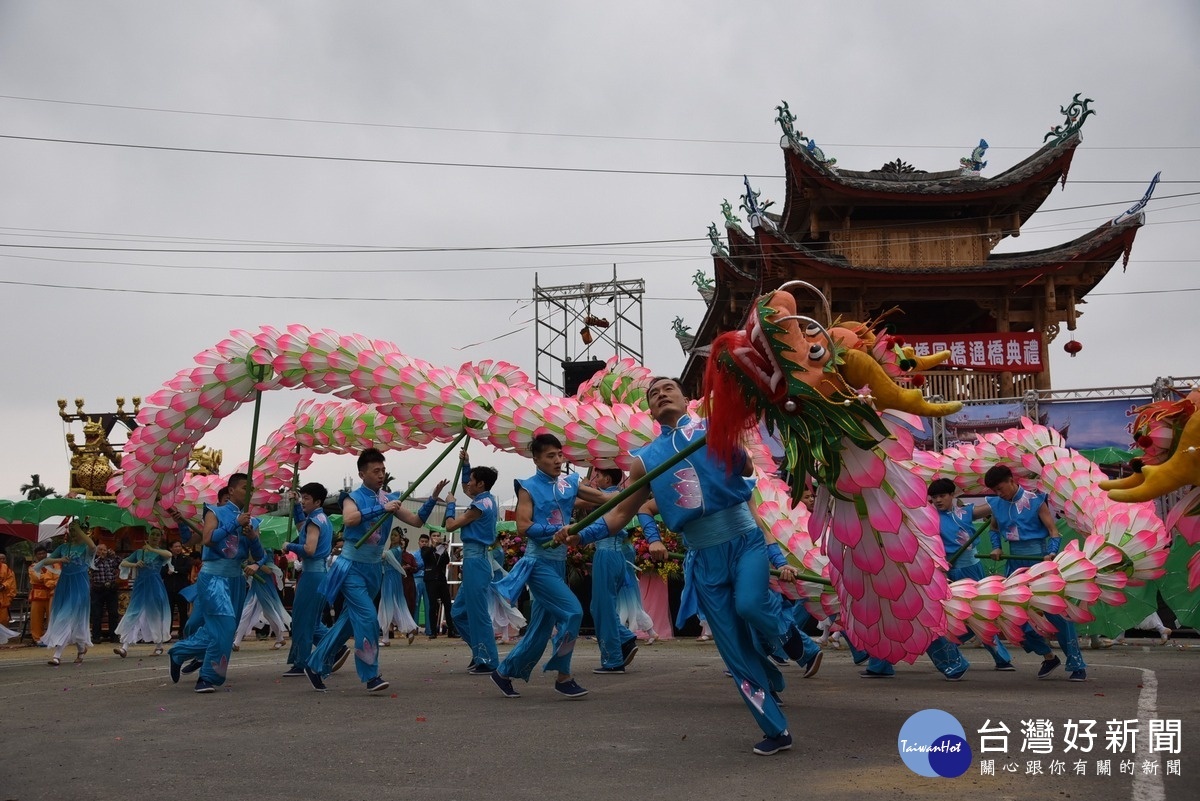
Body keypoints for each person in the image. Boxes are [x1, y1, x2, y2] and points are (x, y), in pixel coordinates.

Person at [561, 377, 813, 755]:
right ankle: (775, 729)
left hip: (744, 541)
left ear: (684, 397)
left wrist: (729, 444)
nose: (661, 394)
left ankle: (794, 638)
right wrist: (582, 534)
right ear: (650, 408)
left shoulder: (714, 428)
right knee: (734, 649)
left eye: (668, 388)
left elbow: (745, 470)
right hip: (703, 558)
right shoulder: (645, 459)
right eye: (653, 393)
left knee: (749, 604)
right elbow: (620, 514)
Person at [304, 448, 446, 693]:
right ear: (362, 473)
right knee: (369, 618)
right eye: (375, 471)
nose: (381, 475)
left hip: (373, 569)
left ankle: (315, 664)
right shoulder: (352, 497)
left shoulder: (387, 498)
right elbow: (349, 520)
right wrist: (382, 509)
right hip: (350, 568)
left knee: (349, 622)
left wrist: (432, 498)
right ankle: (371, 675)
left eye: (383, 470)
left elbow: (416, 521)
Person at [490, 433, 614, 700]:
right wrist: (556, 530)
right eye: (550, 456)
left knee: (540, 629)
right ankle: (563, 676)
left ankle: (503, 672)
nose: (558, 460)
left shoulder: (568, 483)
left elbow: (604, 498)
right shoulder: (528, 487)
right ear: (536, 459)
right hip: (538, 564)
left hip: (558, 563)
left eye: (560, 455)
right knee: (572, 612)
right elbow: (523, 527)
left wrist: (633, 495)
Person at [985, 464, 1087, 682]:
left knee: (1056, 613)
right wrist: (996, 547)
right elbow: (994, 529)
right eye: (994, 491)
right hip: (1014, 566)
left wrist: (1051, 553)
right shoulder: (996, 504)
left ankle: (1076, 664)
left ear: (1011, 480)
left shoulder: (1035, 500)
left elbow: (1054, 532)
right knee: (1012, 618)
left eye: (1000, 488)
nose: (998, 494)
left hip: (1038, 563)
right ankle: (1048, 656)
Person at [166, 472, 266, 693]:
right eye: (243, 487)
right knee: (225, 626)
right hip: (214, 579)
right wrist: (234, 524)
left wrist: (252, 538)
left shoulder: (253, 521)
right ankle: (208, 678)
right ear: (230, 491)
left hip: (236, 581)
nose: (248, 492)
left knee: (224, 631)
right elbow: (208, 540)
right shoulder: (215, 512)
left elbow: (259, 556)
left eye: (251, 488)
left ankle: (180, 651)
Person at [928, 477, 1014, 670]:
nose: (938, 500)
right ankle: (949, 650)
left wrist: (1014, 490)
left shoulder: (965, 512)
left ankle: (1001, 658)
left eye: (942, 496)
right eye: (934, 497)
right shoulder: (929, 517)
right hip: (947, 572)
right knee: (951, 614)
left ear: (952, 495)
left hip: (972, 570)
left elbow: (996, 503)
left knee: (980, 613)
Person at [443, 449, 501, 674]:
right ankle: (480, 652)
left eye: (472, 481)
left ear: (481, 485)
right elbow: (467, 485)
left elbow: (450, 526)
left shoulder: (480, 505)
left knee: (478, 614)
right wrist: (466, 465)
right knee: (459, 613)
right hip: (473, 561)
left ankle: (488, 660)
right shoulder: (484, 500)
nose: (468, 484)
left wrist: (450, 504)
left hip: (477, 561)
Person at [584, 468, 641, 674]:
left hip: (607, 555)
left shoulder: (611, 497)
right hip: (615, 555)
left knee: (603, 607)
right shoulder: (618, 496)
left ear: (607, 478)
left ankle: (613, 659)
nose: (595, 480)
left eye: (598, 476)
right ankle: (624, 638)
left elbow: (599, 524)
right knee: (599, 606)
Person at [281, 482, 333, 678]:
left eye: (306, 499)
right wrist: (295, 506)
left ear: (317, 501)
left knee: (303, 620)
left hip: (312, 575)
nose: (303, 501)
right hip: (318, 574)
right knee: (309, 619)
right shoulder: (321, 518)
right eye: (302, 498)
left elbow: (309, 549)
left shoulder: (315, 521)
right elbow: (302, 527)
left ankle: (302, 662)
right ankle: (335, 647)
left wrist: (290, 546)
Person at [42, 521, 97, 665]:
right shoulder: (63, 547)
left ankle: (57, 655)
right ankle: (81, 648)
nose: (74, 532)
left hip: (80, 584)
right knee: (72, 617)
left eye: (77, 529)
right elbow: (47, 560)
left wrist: (79, 530)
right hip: (64, 584)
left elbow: (93, 546)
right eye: (71, 529)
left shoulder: (86, 547)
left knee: (65, 615)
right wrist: (60, 559)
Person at [113, 529, 173, 657]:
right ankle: (124, 647)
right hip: (140, 586)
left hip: (155, 586)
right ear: (148, 536)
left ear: (161, 538)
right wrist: (134, 564)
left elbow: (169, 555)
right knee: (133, 613)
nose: (155, 537)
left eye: (158, 535)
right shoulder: (139, 552)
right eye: (153, 534)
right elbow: (123, 562)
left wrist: (151, 549)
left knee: (156, 614)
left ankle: (159, 645)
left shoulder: (160, 553)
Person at [232, 549, 291, 651]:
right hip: (256, 585)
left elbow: (269, 570)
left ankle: (280, 638)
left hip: (265, 585)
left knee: (269, 612)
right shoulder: (255, 549)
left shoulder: (267, 551)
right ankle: (236, 642)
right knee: (247, 611)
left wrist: (256, 565)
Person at [378, 530, 419, 647]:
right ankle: (409, 629)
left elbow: (384, 556)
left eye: (395, 535)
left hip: (391, 580)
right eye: (391, 535)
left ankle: (387, 637)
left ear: (401, 538)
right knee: (392, 606)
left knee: (387, 605)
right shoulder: (393, 550)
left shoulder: (396, 551)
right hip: (389, 579)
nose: (392, 537)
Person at [421, 531, 456, 638]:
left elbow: (446, 561)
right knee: (433, 605)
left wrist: (444, 550)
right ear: (431, 538)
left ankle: (451, 630)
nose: (436, 538)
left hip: (441, 578)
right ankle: (433, 631)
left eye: (438, 536)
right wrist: (434, 547)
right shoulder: (426, 549)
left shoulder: (441, 549)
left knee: (447, 604)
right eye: (434, 536)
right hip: (431, 579)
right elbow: (426, 557)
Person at [89, 543, 123, 642]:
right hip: (97, 589)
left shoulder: (111, 560)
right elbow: (91, 567)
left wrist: (114, 555)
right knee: (96, 614)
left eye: (104, 550)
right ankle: (96, 636)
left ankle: (114, 636)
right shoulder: (93, 560)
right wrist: (99, 557)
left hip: (111, 589)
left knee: (113, 613)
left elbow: (122, 563)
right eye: (100, 550)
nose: (102, 552)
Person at [28, 545, 59, 644]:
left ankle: (52, 637)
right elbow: (37, 578)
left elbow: (58, 576)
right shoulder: (33, 566)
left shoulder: (54, 565)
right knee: (36, 618)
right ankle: (37, 638)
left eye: (43, 553)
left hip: (52, 594)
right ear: (36, 556)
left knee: (52, 617)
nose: (41, 555)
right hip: (38, 594)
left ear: (47, 554)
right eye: (39, 554)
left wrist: (51, 579)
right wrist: (51, 579)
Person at [163, 541, 193, 637]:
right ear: (171, 548)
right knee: (169, 612)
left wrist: (174, 570)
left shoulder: (186, 558)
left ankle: (182, 633)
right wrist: (168, 572)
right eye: (175, 546)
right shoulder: (166, 559)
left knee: (183, 612)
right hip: (169, 589)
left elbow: (187, 569)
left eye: (179, 546)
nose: (178, 548)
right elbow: (162, 572)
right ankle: (167, 633)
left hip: (182, 589)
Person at [413, 533, 432, 636]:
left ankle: (429, 629)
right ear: (419, 542)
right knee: (416, 603)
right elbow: (415, 567)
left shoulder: (430, 553)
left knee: (428, 604)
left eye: (426, 542)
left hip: (427, 580)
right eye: (422, 542)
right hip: (417, 579)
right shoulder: (415, 554)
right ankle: (414, 628)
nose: (424, 543)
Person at [0, 552, 16, 625]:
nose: (2, 560)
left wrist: (4, 585)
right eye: (0, 558)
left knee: (3, 620)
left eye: (3, 558)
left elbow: (12, 583)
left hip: (4, 597)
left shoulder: (8, 570)